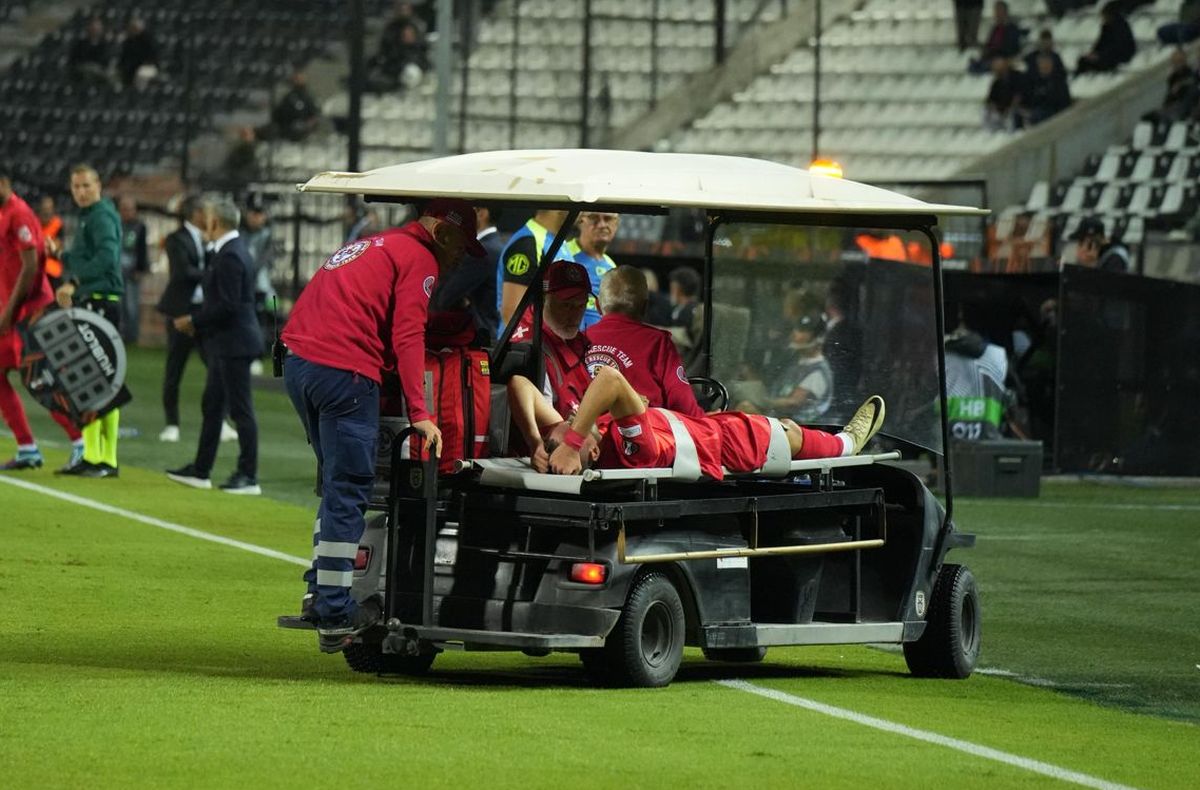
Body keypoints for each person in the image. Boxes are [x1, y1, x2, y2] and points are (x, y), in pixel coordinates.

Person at [280, 198, 484, 652]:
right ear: (442, 233)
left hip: (299, 364)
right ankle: (335, 612)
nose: (458, 259)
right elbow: (409, 334)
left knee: (335, 484)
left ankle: (319, 591)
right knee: (350, 487)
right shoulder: (420, 258)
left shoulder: (373, 243)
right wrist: (420, 412)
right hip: (346, 373)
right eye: (459, 247)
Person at [510, 364, 885, 481]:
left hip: (702, 425)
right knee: (787, 432)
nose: (571, 416)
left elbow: (519, 385)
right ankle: (846, 445)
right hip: (725, 443)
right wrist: (572, 441)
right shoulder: (630, 451)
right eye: (572, 423)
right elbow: (608, 378)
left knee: (776, 422)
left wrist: (534, 441)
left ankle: (837, 442)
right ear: (589, 449)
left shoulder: (581, 436)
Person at [166, 197, 263, 494]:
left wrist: (194, 320)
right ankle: (201, 469)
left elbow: (229, 305)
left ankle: (248, 476)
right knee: (213, 406)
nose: (202, 224)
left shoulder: (231, 255)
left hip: (235, 342)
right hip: (226, 343)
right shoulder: (229, 251)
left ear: (215, 222)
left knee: (240, 410)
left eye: (206, 218)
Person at [0, 169, 84, 471]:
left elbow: (30, 266)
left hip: (30, 312)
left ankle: (81, 444)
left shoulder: (19, 214)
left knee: (40, 380)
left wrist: (9, 312)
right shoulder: (3, 213)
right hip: (12, 310)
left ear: (4, 183)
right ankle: (27, 448)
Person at [55, 164, 124, 478]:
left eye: (86, 185)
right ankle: (93, 455)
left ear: (99, 185)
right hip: (91, 303)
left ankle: (105, 460)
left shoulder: (101, 216)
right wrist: (62, 256)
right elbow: (90, 258)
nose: (80, 192)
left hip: (101, 304)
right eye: (75, 186)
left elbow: (108, 259)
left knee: (102, 381)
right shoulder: (90, 217)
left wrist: (75, 281)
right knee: (89, 381)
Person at [584, 266, 704, 417]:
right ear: (645, 307)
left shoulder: (580, 341)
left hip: (588, 434)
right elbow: (684, 406)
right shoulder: (658, 343)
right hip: (642, 436)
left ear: (597, 306)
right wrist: (707, 421)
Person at [512, 260, 594, 418]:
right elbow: (549, 427)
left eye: (581, 305)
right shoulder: (529, 347)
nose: (574, 315)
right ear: (543, 299)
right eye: (566, 305)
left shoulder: (578, 341)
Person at [157, 196, 208, 443]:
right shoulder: (176, 239)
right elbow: (182, 272)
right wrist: (212, 273)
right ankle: (171, 423)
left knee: (216, 367)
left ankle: (220, 421)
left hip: (204, 310)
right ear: (194, 213)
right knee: (174, 369)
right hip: (180, 311)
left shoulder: (210, 238)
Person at [429, 204, 503, 342]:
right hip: (491, 331)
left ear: (482, 213)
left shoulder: (482, 253)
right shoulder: (497, 245)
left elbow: (443, 299)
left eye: (470, 211)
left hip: (481, 337)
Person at [497, 209, 570, 332]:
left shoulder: (559, 240)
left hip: (551, 341)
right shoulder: (528, 242)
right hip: (525, 346)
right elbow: (512, 311)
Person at [565, 212, 618, 330]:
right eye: (594, 218)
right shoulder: (563, 254)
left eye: (608, 219)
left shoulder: (611, 267)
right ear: (580, 221)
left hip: (598, 343)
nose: (602, 225)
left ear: (616, 224)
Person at [117, 195, 148, 344]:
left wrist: (140, 269)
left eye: (129, 209)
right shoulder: (116, 225)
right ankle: (120, 335)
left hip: (132, 272)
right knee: (119, 305)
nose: (126, 212)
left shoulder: (139, 227)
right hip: (117, 272)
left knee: (131, 306)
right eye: (123, 209)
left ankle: (132, 337)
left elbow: (142, 250)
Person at [1077, 2, 1136, 75]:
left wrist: (1101, 55)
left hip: (1120, 54)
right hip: (1107, 53)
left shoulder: (1120, 26)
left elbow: (1118, 46)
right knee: (1083, 61)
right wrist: (1093, 53)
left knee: (1101, 61)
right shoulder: (1106, 27)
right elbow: (1101, 42)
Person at [261, 69, 320, 142]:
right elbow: (278, 114)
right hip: (285, 130)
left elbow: (314, 116)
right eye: (295, 78)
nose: (296, 80)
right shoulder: (288, 96)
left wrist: (306, 126)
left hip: (301, 131)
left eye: (298, 78)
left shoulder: (308, 97)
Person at [1145, 48, 1199, 123]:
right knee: (1147, 118)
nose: (1177, 65)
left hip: (1183, 109)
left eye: (1180, 61)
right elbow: (1170, 96)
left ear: (1184, 61)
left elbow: (1188, 97)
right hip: (1173, 108)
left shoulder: (1190, 75)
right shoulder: (1173, 77)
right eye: (1175, 62)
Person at [969, 1, 1022, 74]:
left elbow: (1012, 48)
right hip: (990, 58)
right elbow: (989, 44)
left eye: (998, 11)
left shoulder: (1012, 29)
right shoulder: (995, 28)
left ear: (1005, 12)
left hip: (1002, 58)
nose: (996, 14)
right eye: (995, 11)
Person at [1020, 52, 1072, 125]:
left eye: (1047, 63)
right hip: (1037, 112)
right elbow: (1030, 99)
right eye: (1041, 64)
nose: (1044, 66)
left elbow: (1062, 102)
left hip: (1055, 114)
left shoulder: (1058, 81)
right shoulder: (1035, 81)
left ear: (1051, 64)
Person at [983, 57, 1024, 132]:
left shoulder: (1017, 77)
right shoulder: (997, 82)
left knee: (1012, 115)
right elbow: (990, 99)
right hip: (1000, 111)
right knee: (987, 112)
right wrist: (993, 108)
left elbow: (1018, 96)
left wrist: (1009, 109)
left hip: (1013, 109)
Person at [117, 16, 158, 89]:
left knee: (141, 74)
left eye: (136, 27)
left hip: (147, 66)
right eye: (132, 27)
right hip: (132, 68)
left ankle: (139, 97)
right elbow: (124, 57)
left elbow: (151, 57)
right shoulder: (128, 41)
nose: (134, 29)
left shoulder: (147, 39)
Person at [69, 17, 110, 85]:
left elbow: (105, 59)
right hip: (84, 67)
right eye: (93, 28)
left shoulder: (104, 44)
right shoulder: (81, 43)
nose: (95, 30)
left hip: (98, 69)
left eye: (97, 29)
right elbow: (75, 58)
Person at [37, 196, 65, 286]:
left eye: (49, 208)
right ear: (39, 209)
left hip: (53, 272)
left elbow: (55, 248)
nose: (47, 212)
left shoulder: (57, 224)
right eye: (44, 208)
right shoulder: (33, 223)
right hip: (35, 271)